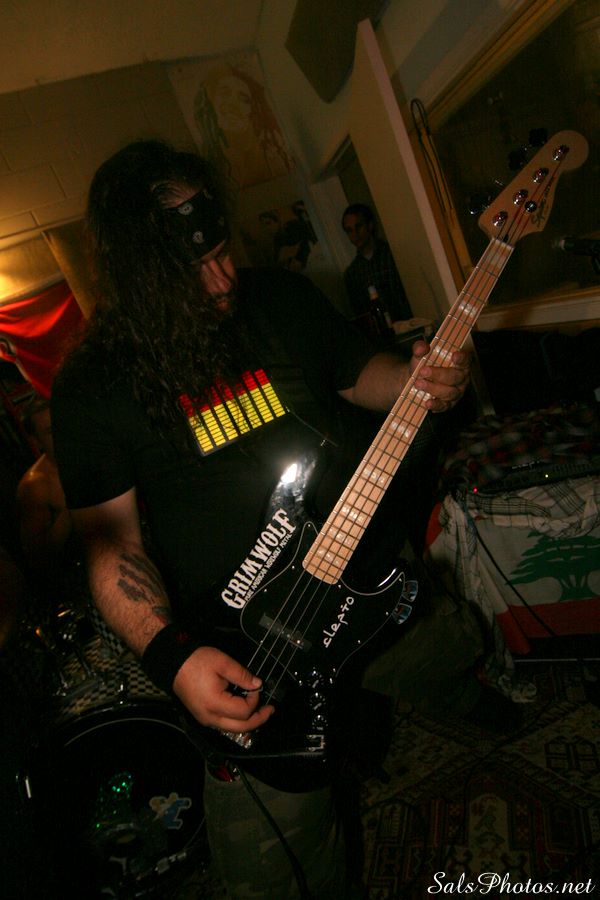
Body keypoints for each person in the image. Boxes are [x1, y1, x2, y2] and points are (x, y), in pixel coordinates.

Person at [51, 141, 515, 899]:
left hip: (364, 567)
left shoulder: (279, 297)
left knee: (441, 649)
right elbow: (112, 546)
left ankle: (478, 702)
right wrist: (171, 656)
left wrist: (420, 377)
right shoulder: (92, 385)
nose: (221, 279)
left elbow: (361, 375)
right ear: (138, 278)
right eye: (192, 270)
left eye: (221, 253)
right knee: (277, 869)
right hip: (254, 640)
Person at [16, 395, 74, 603]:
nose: (62, 434)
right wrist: (73, 505)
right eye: (51, 431)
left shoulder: (95, 452)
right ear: (36, 440)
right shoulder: (36, 486)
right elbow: (39, 558)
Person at [342, 203, 413, 324]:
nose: (355, 234)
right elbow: (360, 312)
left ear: (369, 225)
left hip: (408, 323)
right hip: (380, 330)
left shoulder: (392, 255)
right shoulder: (352, 274)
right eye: (349, 231)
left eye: (358, 226)